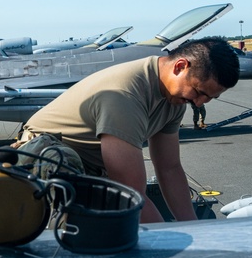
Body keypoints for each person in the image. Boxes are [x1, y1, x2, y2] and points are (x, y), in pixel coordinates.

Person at [16, 38, 240, 223]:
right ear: (180, 66)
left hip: (89, 170)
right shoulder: (124, 95)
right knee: (87, 236)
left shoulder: (175, 96)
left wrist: (194, 229)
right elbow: (130, 193)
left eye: (210, 98)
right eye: (199, 92)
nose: (200, 103)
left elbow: (169, 168)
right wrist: (173, 244)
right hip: (40, 163)